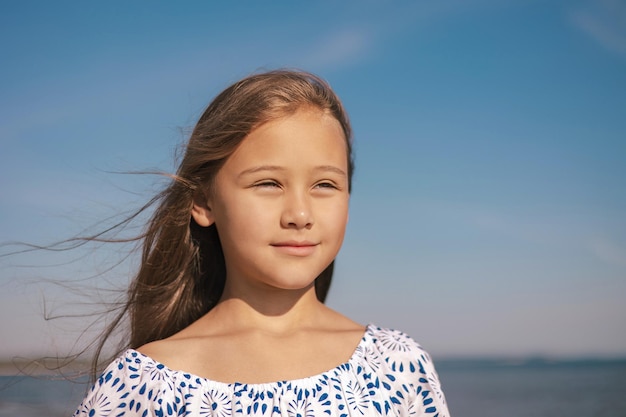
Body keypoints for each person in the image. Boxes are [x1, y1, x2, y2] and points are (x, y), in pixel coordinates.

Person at [72, 69, 449, 416]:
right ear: (204, 202)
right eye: (268, 183)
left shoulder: (398, 366)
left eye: (325, 185)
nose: (299, 214)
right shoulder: (142, 386)